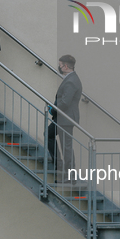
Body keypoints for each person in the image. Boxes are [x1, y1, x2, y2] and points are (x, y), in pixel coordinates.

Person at [47, 55, 82, 184]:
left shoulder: (72, 81)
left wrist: (53, 108)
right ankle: (59, 164)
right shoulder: (70, 79)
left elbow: (65, 102)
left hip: (66, 119)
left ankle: (69, 176)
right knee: (49, 134)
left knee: (66, 147)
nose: (59, 67)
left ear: (66, 66)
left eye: (60, 65)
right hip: (62, 118)